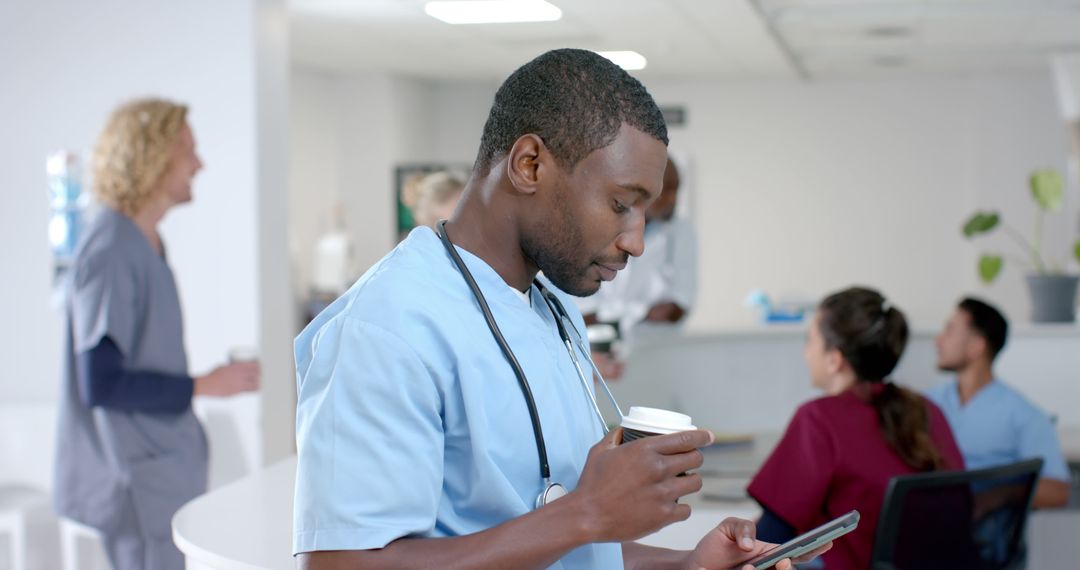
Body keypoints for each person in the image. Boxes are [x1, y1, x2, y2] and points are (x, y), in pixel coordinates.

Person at [293, 49, 826, 570]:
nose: (636, 242)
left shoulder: (554, 308)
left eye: (646, 211)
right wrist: (587, 512)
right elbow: (340, 563)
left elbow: (561, 540)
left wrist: (687, 564)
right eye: (621, 204)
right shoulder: (387, 327)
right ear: (529, 165)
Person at [53, 98, 261, 570]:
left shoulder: (145, 242)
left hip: (161, 466)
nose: (199, 164)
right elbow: (100, 383)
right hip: (134, 475)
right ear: (150, 155)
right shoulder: (110, 249)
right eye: (187, 149)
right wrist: (205, 385)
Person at [748, 287, 964, 570]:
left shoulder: (817, 419)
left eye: (810, 340)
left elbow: (770, 541)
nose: (806, 352)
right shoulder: (926, 410)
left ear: (834, 359)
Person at [926, 297, 1071, 509]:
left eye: (949, 331)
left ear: (977, 346)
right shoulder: (926, 404)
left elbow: (1058, 490)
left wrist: (1000, 494)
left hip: (982, 537)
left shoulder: (1023, 415)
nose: (937, 340)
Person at [576, 156, 698, 371]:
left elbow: (677, 307)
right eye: (666, 189)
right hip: (596, 348)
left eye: (676, 190)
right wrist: (641, 312)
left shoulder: (679, 233)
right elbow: (581, 305)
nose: (672, 199)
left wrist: (619, 316)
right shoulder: (599, 225)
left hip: (656, 353)